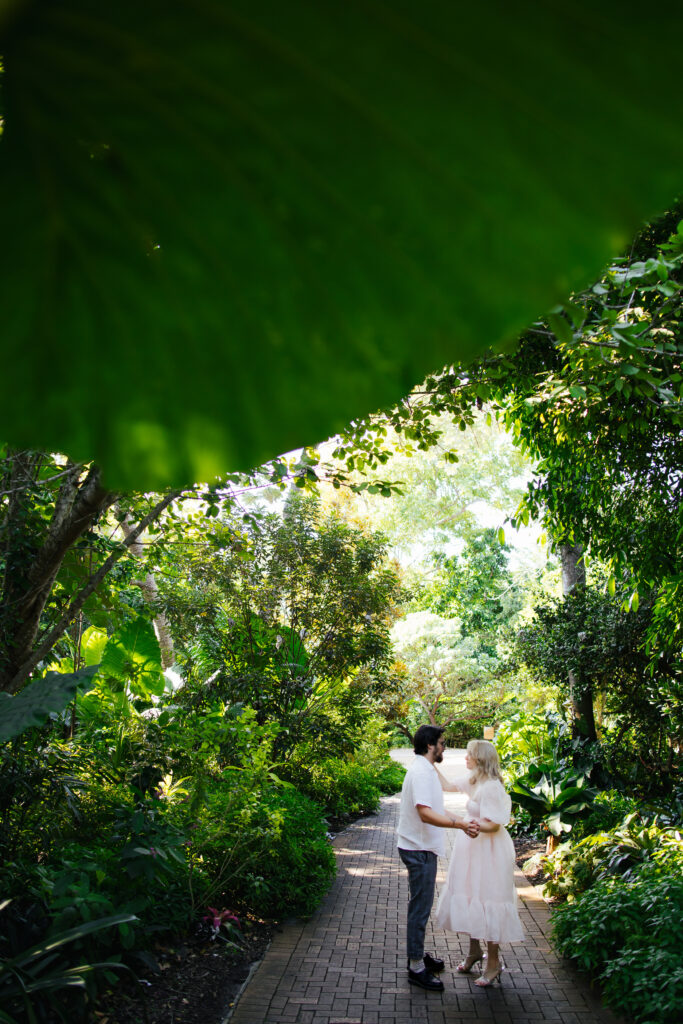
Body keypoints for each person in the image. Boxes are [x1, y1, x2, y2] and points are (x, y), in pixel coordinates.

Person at [434, 738, 524, 987]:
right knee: (469, 895)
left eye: (469, 754)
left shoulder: (492, 787)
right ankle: (474, 952)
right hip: (471, 847)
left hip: (490, 850)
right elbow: (448, 786)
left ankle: (493, 963)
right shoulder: (475, 779)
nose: (465, 758)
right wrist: (428, 760)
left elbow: (494, 824)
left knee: (489, 899)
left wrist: (463, 823)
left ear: (480, 759)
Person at [397, 724, 480, 992]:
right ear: (430, 744)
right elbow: (425, 813)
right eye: (442, 743)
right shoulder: (421, 772)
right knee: (419, 909)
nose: (444, 747)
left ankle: (418, 955)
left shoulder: (426, 769)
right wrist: (458, 827)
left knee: (421, 906)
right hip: (417, 848)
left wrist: (463, 821)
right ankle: (415, 967)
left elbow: (437, 807)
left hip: (421, 847)